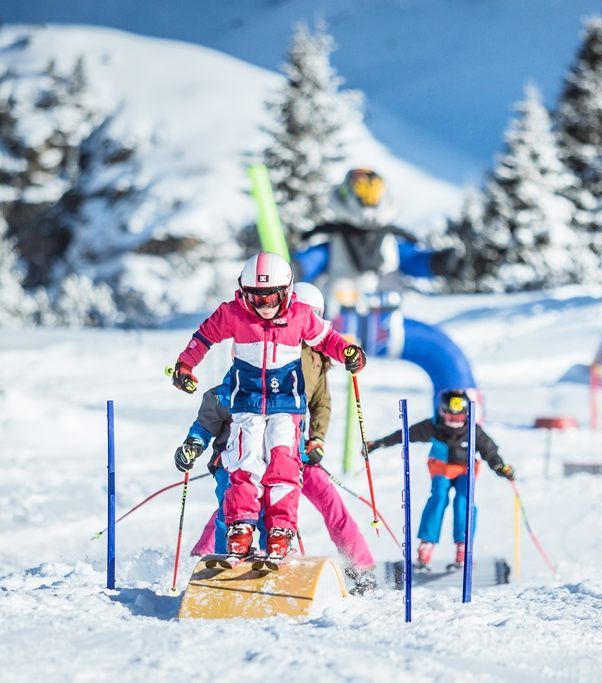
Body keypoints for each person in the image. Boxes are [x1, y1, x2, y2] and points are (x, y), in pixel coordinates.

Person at [177, 282, 377, 591]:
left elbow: (321, 403)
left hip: (296, 453)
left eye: (312, 317)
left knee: (307, 501)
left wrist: (317, 439)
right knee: (241, 498)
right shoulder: (263, 348)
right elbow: (224, 396)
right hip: (260, 448)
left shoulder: (314, 360)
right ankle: (217, 556)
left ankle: (357, 565)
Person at [365, 389, 516, 570]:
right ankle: (426, 545)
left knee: (464, 500)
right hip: (442, 469)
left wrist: (501, 468)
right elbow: (405, 434)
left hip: (465, 471)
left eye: (458, 418)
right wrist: (379, 443)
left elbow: (490, 452)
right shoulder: (433, 426)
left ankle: (463, 546)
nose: (453, 422)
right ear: (442, 412)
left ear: (466, 415)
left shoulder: (474, 431)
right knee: (438, 497)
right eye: (449, 417)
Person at [294, 168, 462, 319]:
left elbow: (413, 260)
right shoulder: (334, 241)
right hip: (337, 326)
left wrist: (438, 262)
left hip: (385, 322)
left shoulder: (390, 243)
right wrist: (295, 268)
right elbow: (312, 260)